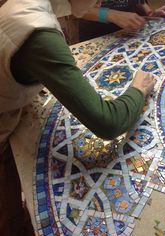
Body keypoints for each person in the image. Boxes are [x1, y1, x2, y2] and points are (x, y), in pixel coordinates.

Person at [0, 0, 155, 235]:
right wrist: (138, 90)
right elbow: (107, 123)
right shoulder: (38, 33)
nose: (101, 2)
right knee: (9, 213)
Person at [78, 0, 165, 41]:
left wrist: (152, 15)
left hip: (131, 36)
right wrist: (112, 15)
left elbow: (140, 2)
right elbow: (76, 11)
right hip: (98, 38)